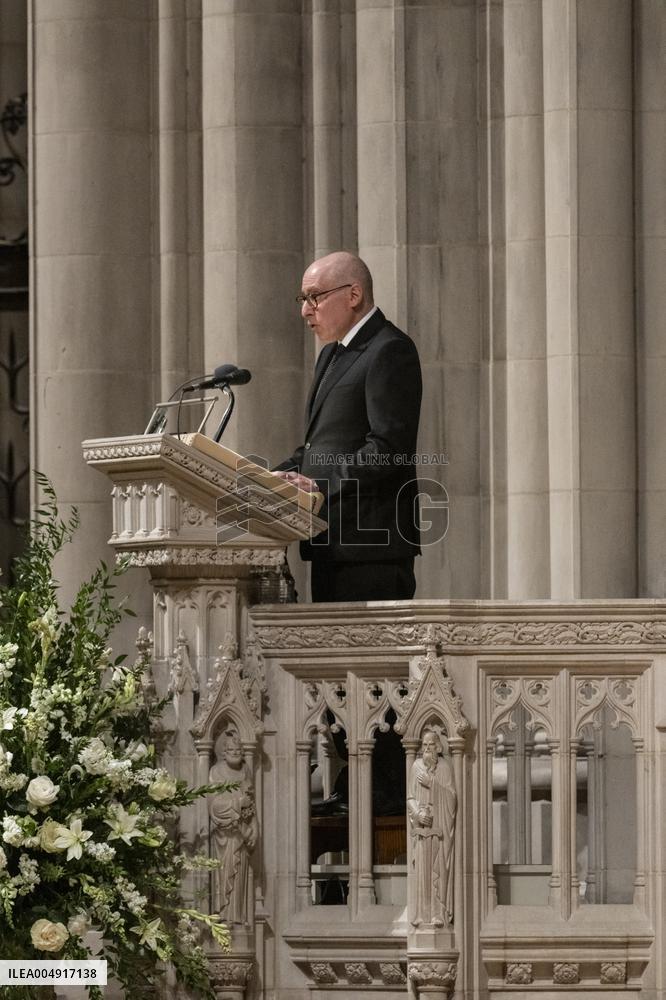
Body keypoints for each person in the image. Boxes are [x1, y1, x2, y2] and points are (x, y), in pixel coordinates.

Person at [274, 251, 422, 602]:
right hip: (329, 541)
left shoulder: (390, 349)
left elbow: (389, 449)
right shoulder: (331, 355)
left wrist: (317, 483)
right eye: (303, 299)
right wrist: (270, 477)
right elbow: (320, 447)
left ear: (353, 295)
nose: (305, 310)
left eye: (315, 296)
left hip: (371, 549)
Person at [407, 730, 457, 927]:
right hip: (421, 829)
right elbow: (410, 797)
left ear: (438, 747)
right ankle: (421, 913)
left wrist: (432, 784)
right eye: (424, 745)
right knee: (421, 872)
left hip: (438, 828)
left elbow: (451, 797)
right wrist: (418, 814)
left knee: (438, 870)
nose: (427, 748)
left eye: (430, 745)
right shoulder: (416, 766)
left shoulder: (444, 767)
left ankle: (438, 913)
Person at [208, 729, 258, 926]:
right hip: (224, 835)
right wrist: (238, 802)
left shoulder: (246, 770)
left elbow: (253, 804)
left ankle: (237, 916)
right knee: (224, 874)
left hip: (242, 836)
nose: (236, 753)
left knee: (239, 876)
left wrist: (255, 829)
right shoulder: (216, 772)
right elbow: (214, 804)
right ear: (224, 752)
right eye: (232, 750)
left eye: (239, 750)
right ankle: (222, 913)